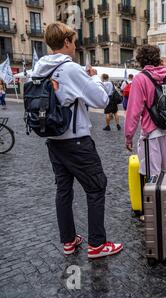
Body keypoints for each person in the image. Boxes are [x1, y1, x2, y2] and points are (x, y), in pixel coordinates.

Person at [32, 22, 122, 258]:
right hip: (77, 141)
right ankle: (97, 245)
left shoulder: (39, 69)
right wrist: (94, 79)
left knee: (63, 190)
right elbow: (101, 100)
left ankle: (69, 241)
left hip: (53, 140)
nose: (75, 45)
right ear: (66, 42)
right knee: (96, 187)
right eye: (73, 41)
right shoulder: (70, 69)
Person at [124, 45, 166, 221]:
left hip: (151, 135)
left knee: (152, 176)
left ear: (141, 60)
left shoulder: (140, 79)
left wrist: (129, 136)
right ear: (158, 58)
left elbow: (134, 111)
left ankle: (153, 214)